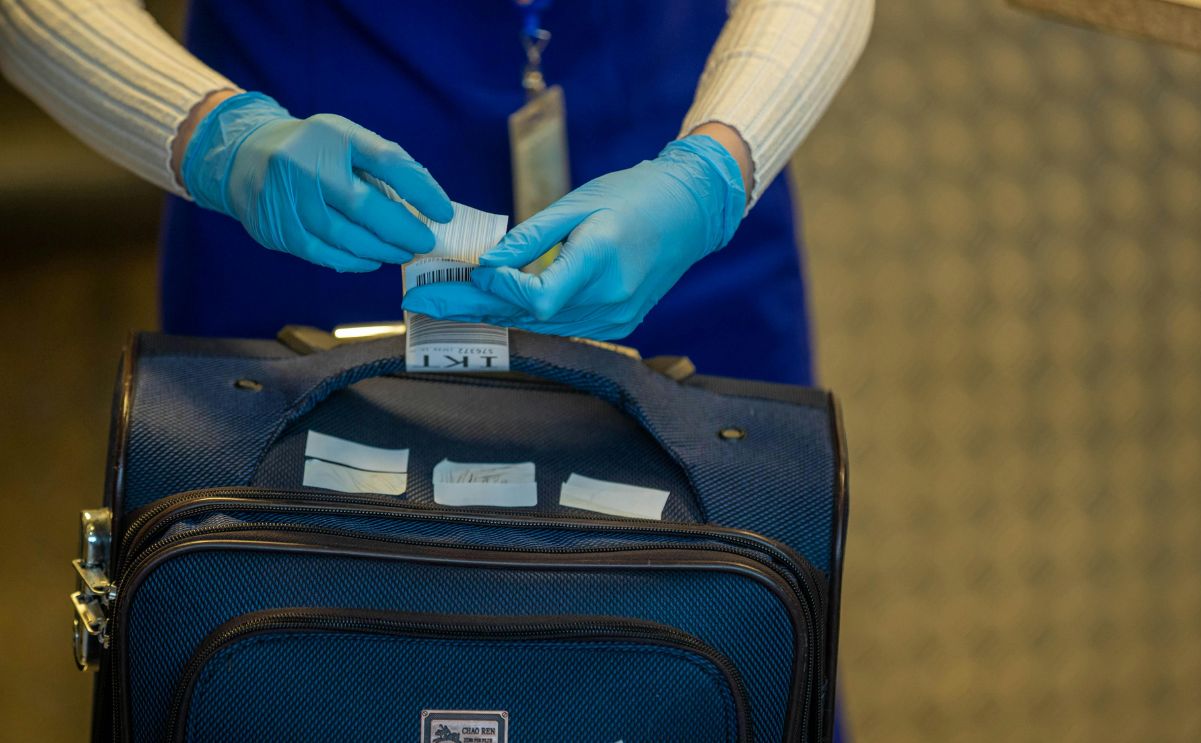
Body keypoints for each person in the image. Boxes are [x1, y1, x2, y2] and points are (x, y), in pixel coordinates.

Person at [2, 0, 868, 733]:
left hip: (675, 183)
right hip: (307, 200)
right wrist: (205, 134)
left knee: (723, 647)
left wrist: (718, 166)